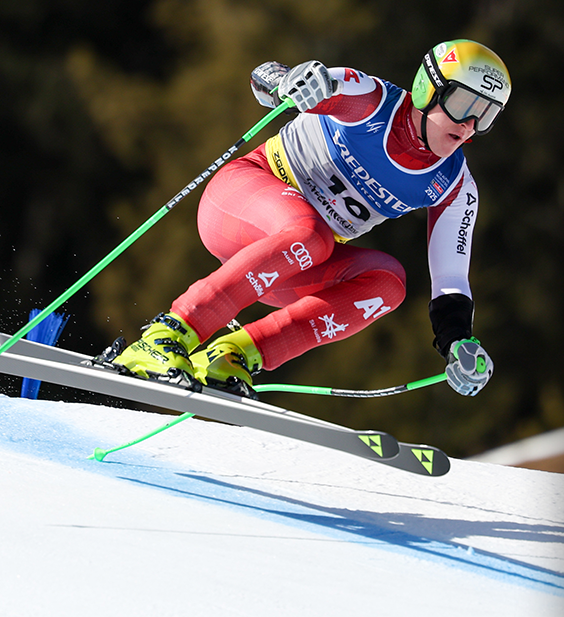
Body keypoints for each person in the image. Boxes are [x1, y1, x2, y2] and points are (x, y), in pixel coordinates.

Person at [97, 40, 510, 399]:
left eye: (486, 115)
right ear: (428, 89)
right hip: (240, 202)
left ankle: (235, 353)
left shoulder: (454, 184)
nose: (469, 125)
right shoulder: (371, 101)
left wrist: (459, 340)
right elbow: (275, 79)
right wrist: (289, 82)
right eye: (463, 104)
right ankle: (168, 334)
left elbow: (451, 281)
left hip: (290, 265)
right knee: (312, 234)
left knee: (389, 285)